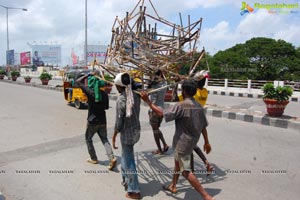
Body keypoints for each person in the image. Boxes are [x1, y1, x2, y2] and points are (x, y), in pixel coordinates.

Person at [140, 80, 214, 200]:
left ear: (184, 91)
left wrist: (148, 101)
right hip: (192, 142)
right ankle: (173, 186)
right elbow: (203, 126)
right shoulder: (199, 106)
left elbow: (161, 113)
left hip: (182, 144)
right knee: (177, 164)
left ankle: (206, 196)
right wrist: (206, 141)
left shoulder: (181, 105)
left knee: (185, 171)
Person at [76, 71, 117, 170]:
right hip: (103, 120)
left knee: (88, 139)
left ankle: (94, 158)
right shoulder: (104, 94)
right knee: (104, 139)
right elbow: (106, 107)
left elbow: (78, 81)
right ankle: (112, 158)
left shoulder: (90, 92)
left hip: (92, 121)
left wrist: (87, 74)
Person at [112, 72, 142, 199]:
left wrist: (113, 136)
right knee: (125, 155)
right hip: (136, 131)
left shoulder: (122, 99)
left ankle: (134, 190)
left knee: (129, 160)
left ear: (119, 86)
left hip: (127, 134)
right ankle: (125, 179)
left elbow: (119, 122)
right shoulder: (136, 95)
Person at [178, 70, 213, 175]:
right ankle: (206, 163)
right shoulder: (204, 91)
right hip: (200, 119)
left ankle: (191, 171)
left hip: (190, 120)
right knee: (193, 144)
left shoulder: (194, 93)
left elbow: (180, 99)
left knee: (190, 144)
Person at [148, 70, 169, 155]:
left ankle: (160, 149)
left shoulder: (154, 86)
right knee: (157, 129)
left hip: (154, 110)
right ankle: (164, 144)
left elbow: (153, 100)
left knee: (155, 131)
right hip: (162, 109)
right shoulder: (164, 84)